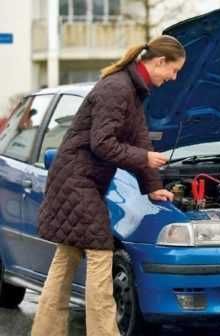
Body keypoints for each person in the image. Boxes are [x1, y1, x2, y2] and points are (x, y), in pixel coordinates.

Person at [31, 35, 186, 336]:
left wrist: (152, 185)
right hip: (77, 181)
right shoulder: (117, 88)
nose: (174, 77)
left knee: (66, 258)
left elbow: (139, 137)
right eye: (174, 70)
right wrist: (145, 157)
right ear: (158, 62)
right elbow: (102, 144)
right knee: (101, 252)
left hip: (80, 179)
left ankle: (46, 332)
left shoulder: (132, 89)